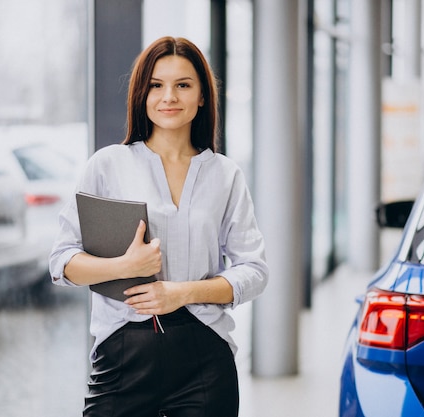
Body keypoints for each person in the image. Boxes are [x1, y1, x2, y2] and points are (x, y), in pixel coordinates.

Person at [49, 36, 268, 417]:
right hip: (122, 357)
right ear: (141, 94)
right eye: (156, 85)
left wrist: (180, 293)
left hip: (205, 359)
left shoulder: (225, 174)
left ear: (202, 96)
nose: (169, 96)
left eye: (183, 85)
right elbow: (62, 262)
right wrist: (124, 268)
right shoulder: (107, 165)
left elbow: (255, 271)